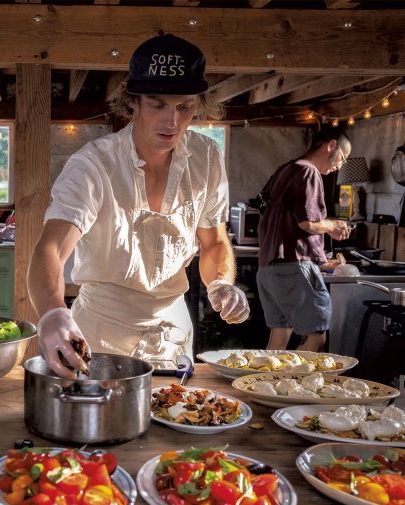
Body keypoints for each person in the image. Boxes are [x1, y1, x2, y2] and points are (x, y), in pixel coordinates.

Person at [27, 33, 250, 379]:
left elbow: (215, 243)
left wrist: (221, 282)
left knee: (179, 419)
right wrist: (53, 313)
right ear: (133, 102)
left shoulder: (206, 158)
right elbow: (51, 248)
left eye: (184, 107)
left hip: (172, 334)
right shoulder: (94, 164)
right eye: (157, 104)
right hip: (101, 333)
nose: (172, 121)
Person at [256, 127, 352, 352]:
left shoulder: (285, 170)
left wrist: (320, 258)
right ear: (331, 146)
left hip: (269, 269)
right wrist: (332, 225)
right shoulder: (308, 172)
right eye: (343, 158)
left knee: (279, 338)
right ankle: (295, 386)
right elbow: (307, 223)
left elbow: (284, 222)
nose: (341, 164)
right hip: (292, 267)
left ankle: (263, 385)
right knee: (316, 338)